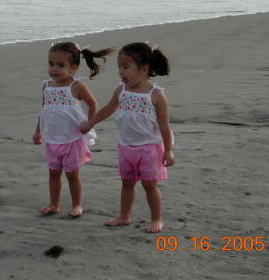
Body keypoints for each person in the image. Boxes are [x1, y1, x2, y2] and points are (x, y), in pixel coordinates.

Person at [80, 42, 175, 232]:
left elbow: (165, 126)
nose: (121, 72)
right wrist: (90, 123)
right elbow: (108, 109)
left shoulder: (155, 95)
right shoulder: (121, 91)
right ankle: (124, 216)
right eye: (119, 67)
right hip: (126, 147)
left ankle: (156, 219)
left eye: (126, 67)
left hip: (149, 148)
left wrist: (169, 150)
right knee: (127, 183)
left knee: (149, 185)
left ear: (144, 69)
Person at [33, 41, 114, 218]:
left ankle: (77, 205)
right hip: (52, 139)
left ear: (73, 68)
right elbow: (44, 109)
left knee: (72, 174)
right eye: (51, 63)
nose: (54, 68)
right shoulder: (46, 86)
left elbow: (93, 103)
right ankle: (54, 204)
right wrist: (38, 131)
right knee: (53, 173)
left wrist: (89, 123)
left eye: (61, 65)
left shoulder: (76, 86)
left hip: (71, 139)